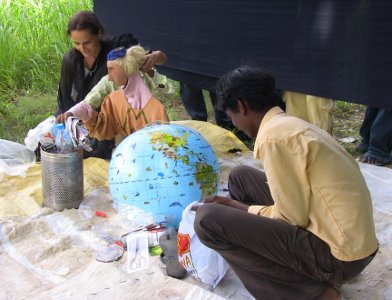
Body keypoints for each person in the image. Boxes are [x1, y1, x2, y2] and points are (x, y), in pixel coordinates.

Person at [194, 66, 378, 299]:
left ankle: (312, 292)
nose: (235, 124)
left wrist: (237, 208)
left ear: (241, 106)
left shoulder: (274, 137)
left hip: (341, 257)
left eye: (231, 117)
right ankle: (301, 270)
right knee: (240, 176)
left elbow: (291, 217)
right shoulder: (288, 124)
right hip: (354, 246)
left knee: (207, 220)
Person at [56, 10, 167, 158]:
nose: (82, 49)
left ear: (99, 33)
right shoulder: (71, 60)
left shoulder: (116, 53)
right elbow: (65, 98)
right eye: (77, 43)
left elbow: (155, 59)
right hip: (81, 115)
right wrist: (69, 117)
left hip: (109, 120)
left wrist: (156, 56)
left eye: (87, 42)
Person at [81, 46, 169, 142]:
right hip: (125, 134)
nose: (110, 77)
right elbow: (88, 102)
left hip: (152, 131)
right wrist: (74, 113)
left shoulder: (144, 75)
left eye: (112, 69)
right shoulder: (108, 83)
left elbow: (168, 89)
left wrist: (155, 59)